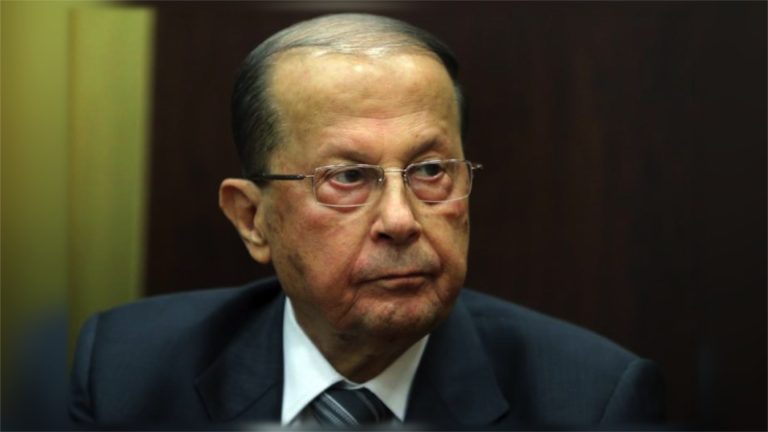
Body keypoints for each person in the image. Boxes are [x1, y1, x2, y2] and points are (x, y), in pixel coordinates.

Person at [69, 13, 664, 428]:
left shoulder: (593, 402)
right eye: (349, 178)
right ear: (252, 219)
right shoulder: (127, 371)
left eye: (430, 170)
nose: (401, 221)